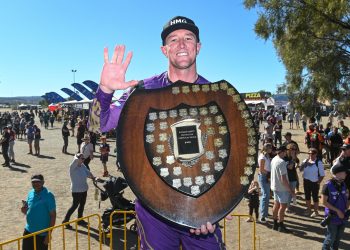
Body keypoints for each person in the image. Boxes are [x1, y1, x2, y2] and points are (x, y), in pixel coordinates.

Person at [89, 16, 225, 249]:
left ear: (198, 47)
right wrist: (104, 90)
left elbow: (229, 156)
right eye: (174, 40)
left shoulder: (217, 96)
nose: (181, 44)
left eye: (188, 38)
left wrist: (219, 206)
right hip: (153, 210)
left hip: (201, 212)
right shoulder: (143, 90)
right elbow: (97, 126)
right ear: (164, 50)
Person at [21, 174, 56, 250]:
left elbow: (53, 216)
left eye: (38, 182)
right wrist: (24, 209)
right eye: (33, 182)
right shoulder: (30, 193)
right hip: (28, 231)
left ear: (43, 182)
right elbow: (28, 209)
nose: (35, 184)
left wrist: (48, 235)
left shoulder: (49, 195)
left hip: (42, 234)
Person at [62, 153, 97, 228]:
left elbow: (87, 172)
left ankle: (80, 219)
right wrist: (78, 157)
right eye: (82, 158)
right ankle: (65, 220)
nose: (83, 160)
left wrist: (93, 177)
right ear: (77, 159)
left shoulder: (82, 166)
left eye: (84, 158)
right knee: (74, 205)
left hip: (84, 188)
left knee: (82, 204)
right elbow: (75, 160)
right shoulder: (72, 167)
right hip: (76, 190)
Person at [321, 159, 350, 250]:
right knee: (330, 238)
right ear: (338, 173)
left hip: (343, 217)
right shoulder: (327, 185)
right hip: (333, 217)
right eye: (344, 172)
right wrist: (338, 211)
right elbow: (324, 202)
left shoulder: (343, 184)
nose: (346, 174)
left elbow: (347, 196)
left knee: (338, 239)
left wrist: (346, 207)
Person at [270, 145, 295, 233]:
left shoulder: (274, 159)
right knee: (282, 206)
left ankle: (275, 224)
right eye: (285, 152)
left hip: (274, 186)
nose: (286, 153)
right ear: (283, 152)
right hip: (282, 188)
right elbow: (283, 179)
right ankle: (281, 225)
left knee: (276, 204)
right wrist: (290, 190)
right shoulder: (281, 162)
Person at [300, 148, 325, 217]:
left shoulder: (318, 162)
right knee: (307, 196)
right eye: (309, 153)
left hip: (314, 183)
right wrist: (304, 164)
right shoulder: (305, 160)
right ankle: (308, 210)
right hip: (306, 181)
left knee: (315, 197)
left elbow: (322, 175)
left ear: (316, 154)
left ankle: (316, 212)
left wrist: (318, 182)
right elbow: (300, 169)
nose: (311, 155)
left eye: (313, 153)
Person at [257, 143, 272, 223]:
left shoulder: (267, 156)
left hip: (267, 176)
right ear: (267, 148)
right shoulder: (262, 157)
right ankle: (262, 215)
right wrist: (270, 174)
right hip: (263, 177)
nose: (271, 149)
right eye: (270, 148)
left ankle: (265, 212)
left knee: (267, 195)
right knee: (265, 195)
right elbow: (261, 170)